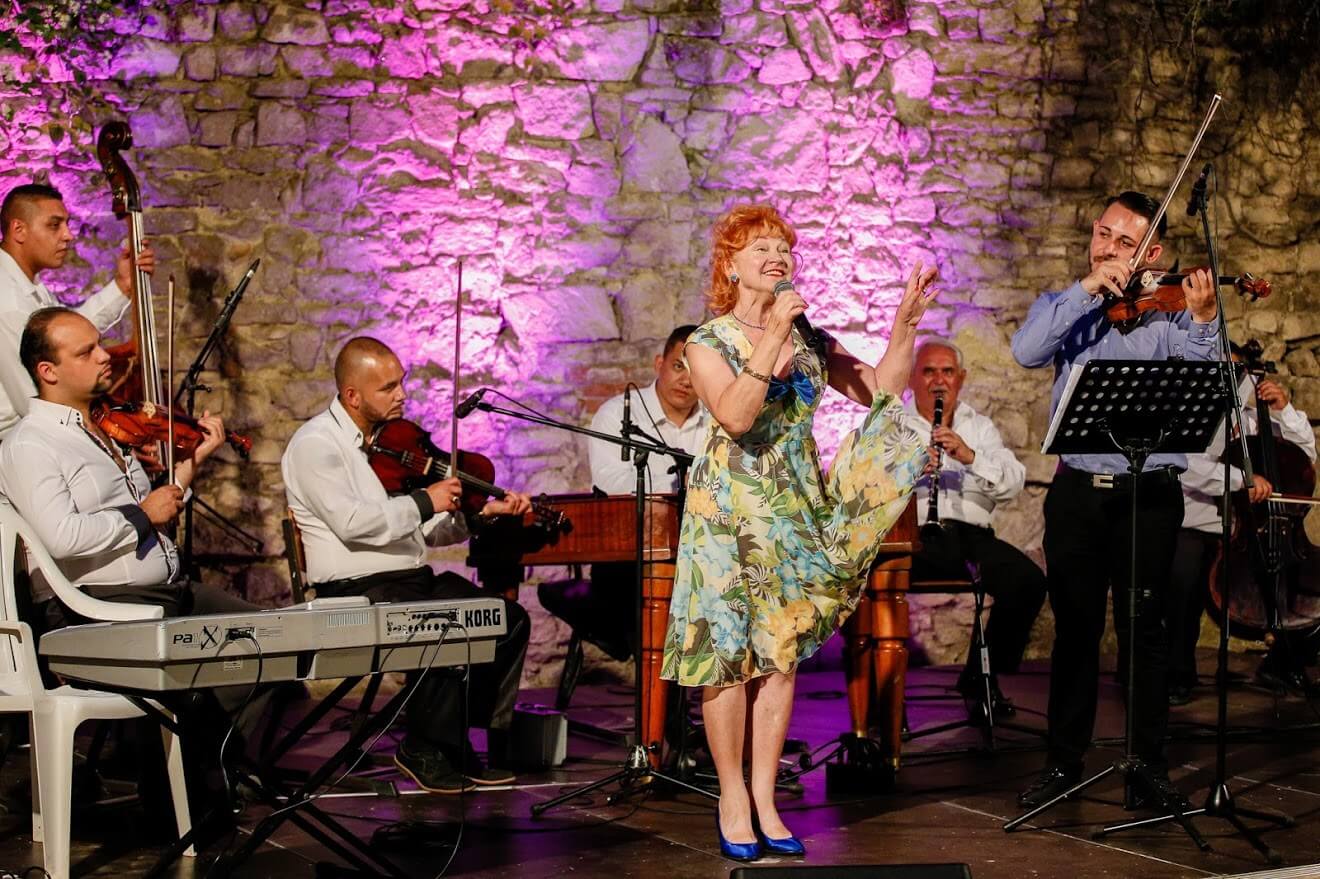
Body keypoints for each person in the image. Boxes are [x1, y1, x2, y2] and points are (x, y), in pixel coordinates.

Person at [661, 203, 936, 861]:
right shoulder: (706, 341)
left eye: (782, 247)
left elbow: (880, 389)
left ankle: (765, 795)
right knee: (727, 659)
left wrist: (903, 326)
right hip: (727, 515)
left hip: (791, 508)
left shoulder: (810, 338)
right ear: (730, 266)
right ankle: (731, 796)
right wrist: (774, 333)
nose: (776, 256)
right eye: (759, 247)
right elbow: (735, 415)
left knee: (779, 656)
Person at [0, 306, 256, 821]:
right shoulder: (30, 444)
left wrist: (189, 467)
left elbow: (155, 511)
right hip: (94, 606)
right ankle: (183, 796)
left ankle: (209, 773)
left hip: (161, 592)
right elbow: (62, 537)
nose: (105, 356)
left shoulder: (105, 431)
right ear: (48, 371)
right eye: (86, 351)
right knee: (202, 662)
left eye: (99, 344)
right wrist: (141, 514)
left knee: (263, 637)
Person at [1011, 191, 1220, 810]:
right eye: (1103, 233)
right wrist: (1086, 291)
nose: (1107, 248)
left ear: (1152, 255)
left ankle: (1148, 768)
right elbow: (1027, 351)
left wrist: (1205, 322)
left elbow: (1203, 384)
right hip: (1079, 493)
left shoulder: (1172, 314)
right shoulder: (1064, 305)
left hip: (1149, 495)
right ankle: (1062, 763)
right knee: (1075, 631)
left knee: (1145, 632)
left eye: (1125, 242)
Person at [282, 336, 533, 794]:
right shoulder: (315, 445)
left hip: (409, 581)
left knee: (507, 619)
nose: (402, 395)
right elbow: (353, 523)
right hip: (357, 590)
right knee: (445, 622)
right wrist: (424, 500)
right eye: (388, 387)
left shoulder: (389, 447)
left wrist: (478, 516)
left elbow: (425, 531)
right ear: (352, 395)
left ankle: (453, 739)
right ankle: (422, 746)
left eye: (401, 383)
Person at [541, 325, 709, 662]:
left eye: (696, 372)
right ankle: (661, 687)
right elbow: (613, 482)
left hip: (698, 554)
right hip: (628, 558)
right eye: (678, 366)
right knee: (653, 599)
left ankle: (699, 680)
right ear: (659, 363)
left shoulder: (714, 419)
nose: (686, 380)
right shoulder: (618, 414)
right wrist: (683, 483)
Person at [903, 338, 1046, 719]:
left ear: (961, 378)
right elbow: (866, 485)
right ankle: (883, 699)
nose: (939, 380)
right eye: (928, 371)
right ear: (912, 378)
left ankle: (980, 677)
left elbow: (1012, 483)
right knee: (872, 583)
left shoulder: (979, 427)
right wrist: (908, 470)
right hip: (912, 538)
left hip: (970, 537)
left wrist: (970, 457)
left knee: (1028, 581)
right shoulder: (893, 426)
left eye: (947, 372)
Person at [1168, 359, 1316, 704]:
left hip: (1251, 530)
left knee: (1306, 586)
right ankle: (1176, 673)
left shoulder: (1251, 421)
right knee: (1183, 576)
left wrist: (1284, 411)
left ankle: (1282, 661)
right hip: (1198, 525)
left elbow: (1304, 454)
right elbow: (1185, 464)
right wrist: (1241, 481)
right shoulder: (1190, 419)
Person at [0, 182, 155, 439]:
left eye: (66, 224)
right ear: (19, 230)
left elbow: (67, 334)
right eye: (54, 225)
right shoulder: (9, 302)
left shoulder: (26, 283)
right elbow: (34, 404)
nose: (68, 235)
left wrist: (123, 286)